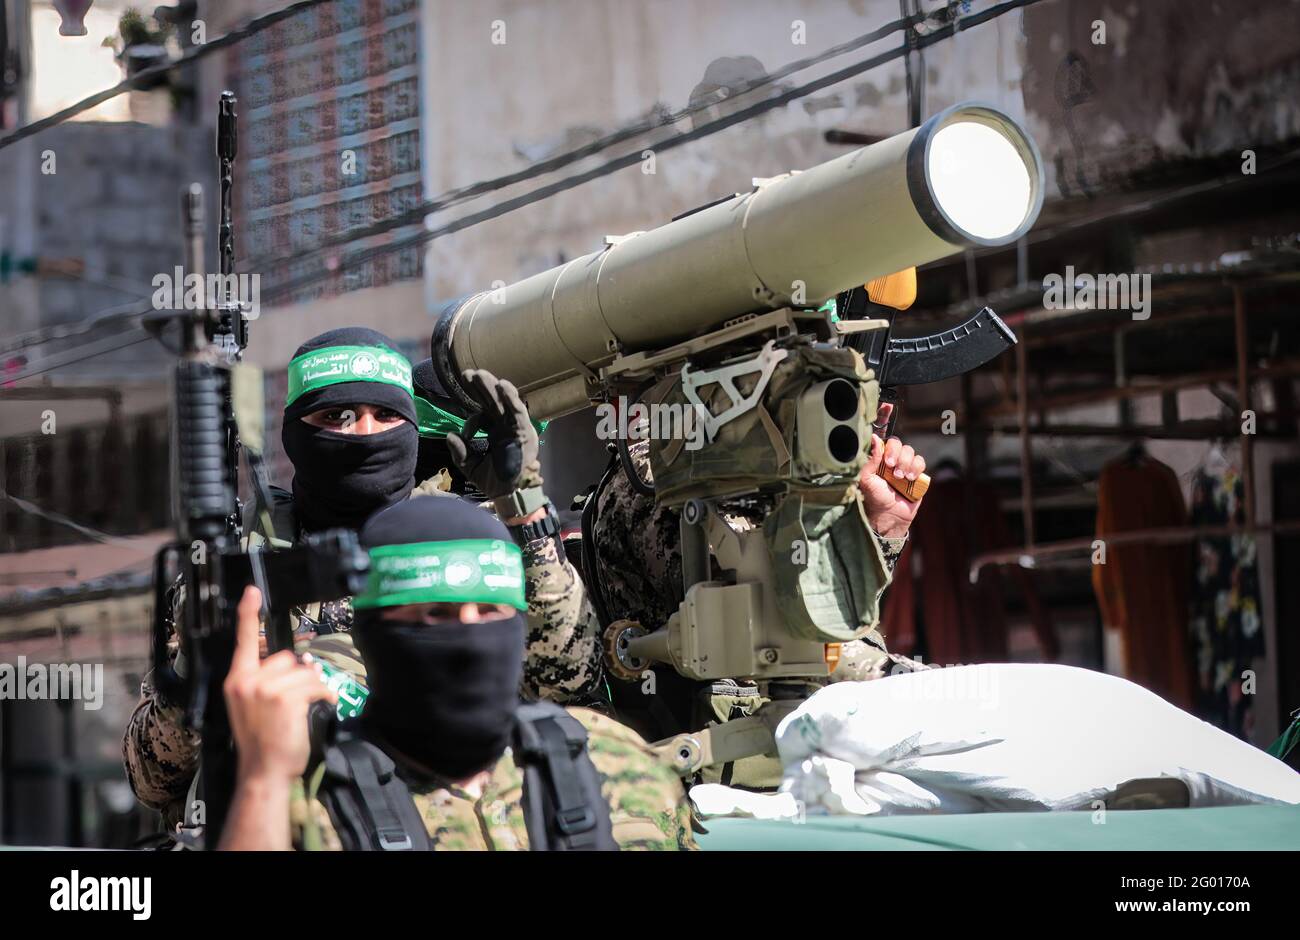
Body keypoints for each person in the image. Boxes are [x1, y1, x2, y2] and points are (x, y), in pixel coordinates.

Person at [123, 329, 599, 833]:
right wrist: (202, 674)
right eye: (335, 417)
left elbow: (570, 685)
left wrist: (524, 511)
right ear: (293, 431)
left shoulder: (466, 542)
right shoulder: (244, 565)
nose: (363, 433)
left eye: (386, 415)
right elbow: (154, 779)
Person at [218, 495, 696, 851]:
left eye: (489, 611)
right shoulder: (304, 803)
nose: (469, 638)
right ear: (371, 633)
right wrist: (264, 778)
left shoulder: (610, 759)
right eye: (435, 616)